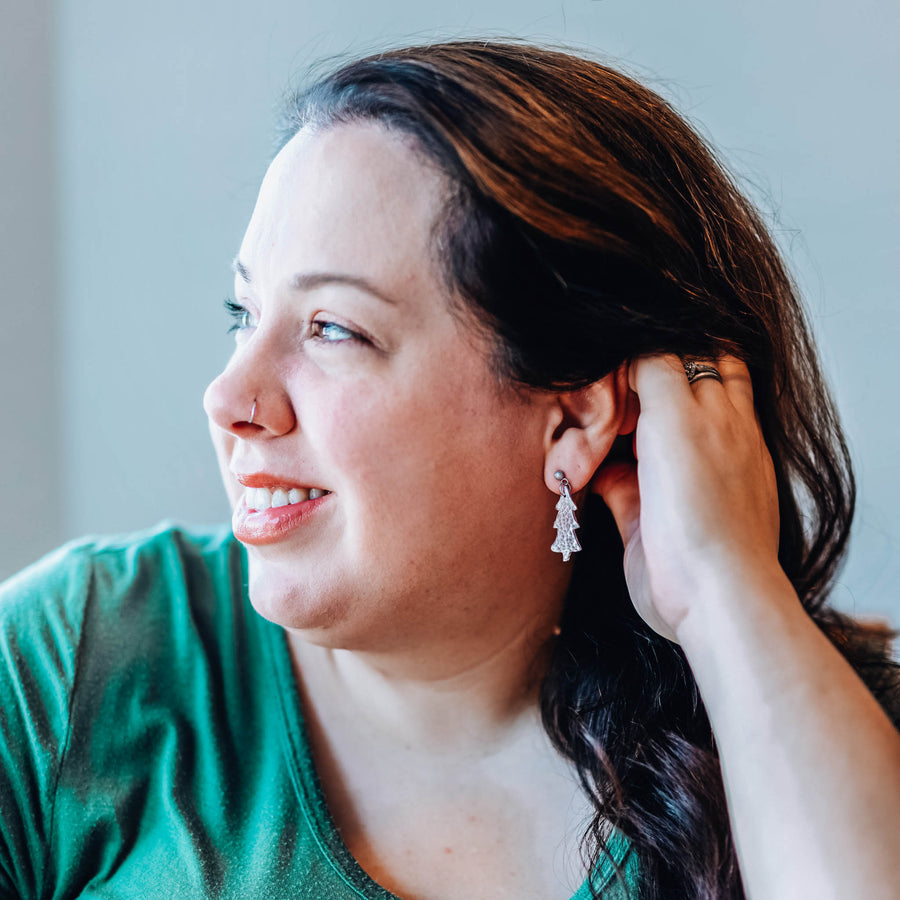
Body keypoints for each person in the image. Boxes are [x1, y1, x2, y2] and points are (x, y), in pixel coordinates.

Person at [1, 40, 899, 900]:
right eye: (244, 313)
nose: (229, 397)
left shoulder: (805, 723)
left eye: (333, 330)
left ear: (576, 417)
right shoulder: (74, 662)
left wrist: (723, 594)